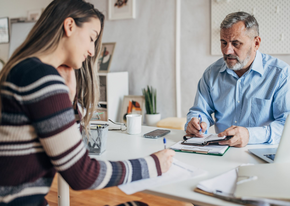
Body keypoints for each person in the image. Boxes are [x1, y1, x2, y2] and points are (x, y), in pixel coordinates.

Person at [0, 0, 175, 205]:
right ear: (70, 26)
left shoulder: (23, 70)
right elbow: (82, 174)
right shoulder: (40, 77)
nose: (92, 51)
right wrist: (153, 164)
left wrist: (70, 96)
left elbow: (71, 153)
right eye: (92, 38)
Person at [185, 12, 290, 147]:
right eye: (224, 43)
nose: (227, 50)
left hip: (265, 154)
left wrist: (250, 135)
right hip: (222, 153)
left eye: (236, 43)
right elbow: (200, 111)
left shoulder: (281, 75)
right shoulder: (212, 73)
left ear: (256, 43)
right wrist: (196, 122)